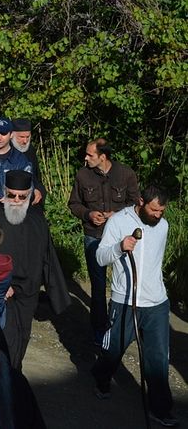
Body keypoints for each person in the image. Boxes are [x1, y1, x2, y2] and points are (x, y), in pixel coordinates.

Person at [91, 185, 177, 427]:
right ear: (141, 201)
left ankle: (161, 409)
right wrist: (120, 247)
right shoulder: (118, 222)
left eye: (162, 210)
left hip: (157, 303)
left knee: (158, 358)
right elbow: (100, 257)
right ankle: (101, 377)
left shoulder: (163, 226)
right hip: (125, 299)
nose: (158, 215)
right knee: (114, 348)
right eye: (154, 209)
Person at [0, 170, 70, 369]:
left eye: (22, 196)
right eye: (11, 195)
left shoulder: (38, 221)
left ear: (30, 195)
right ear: (4, 193)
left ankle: (14, 372)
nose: (17, 200)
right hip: (2, 291)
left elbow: (48, 257)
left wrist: (56, 293)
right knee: (6, 337)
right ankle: (7, 377)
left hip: (29, 290)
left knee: (24, 335)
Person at [68, 138, 139, 345]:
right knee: (98, 286)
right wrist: (88, 214)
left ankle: (124, 325)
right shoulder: (83, 175)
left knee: (124, 282)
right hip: (94, 235)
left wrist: (114, 215)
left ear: (103, 156)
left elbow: (135, 202)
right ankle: (99, 329)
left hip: (121, 237)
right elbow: (73, 203)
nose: (86, 158)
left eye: (90, 155)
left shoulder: (126, 174)